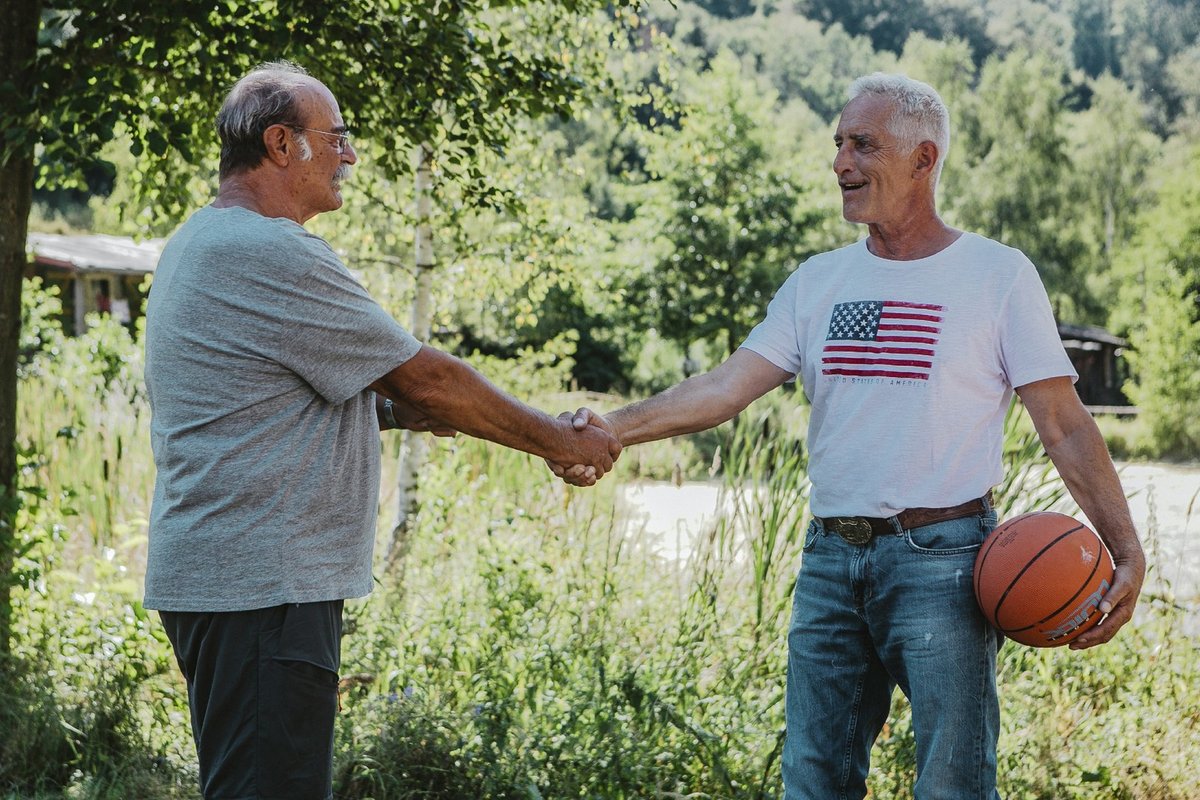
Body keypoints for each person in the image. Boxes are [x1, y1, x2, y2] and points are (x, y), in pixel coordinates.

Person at [550, 73, 1145, 799]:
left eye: (863, 144)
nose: (840, 163)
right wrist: (609, 428)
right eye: (838, 144)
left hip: (947, 565)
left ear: (924, 160)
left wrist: (1127, 550)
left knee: (954, 786)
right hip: (831, 561)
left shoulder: (996, 276)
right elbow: (721, 388)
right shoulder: (817, 282)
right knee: (814, 781)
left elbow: (1064, 424)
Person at [143, 61, 620, 800]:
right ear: (281, 143)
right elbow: (424, 375)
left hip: (227, 582)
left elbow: (291, 398)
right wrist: (561, 441)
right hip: (266, 588)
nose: (350, 155)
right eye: (336, 137)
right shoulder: (272, 251)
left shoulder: (196, 243)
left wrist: (401, 411)